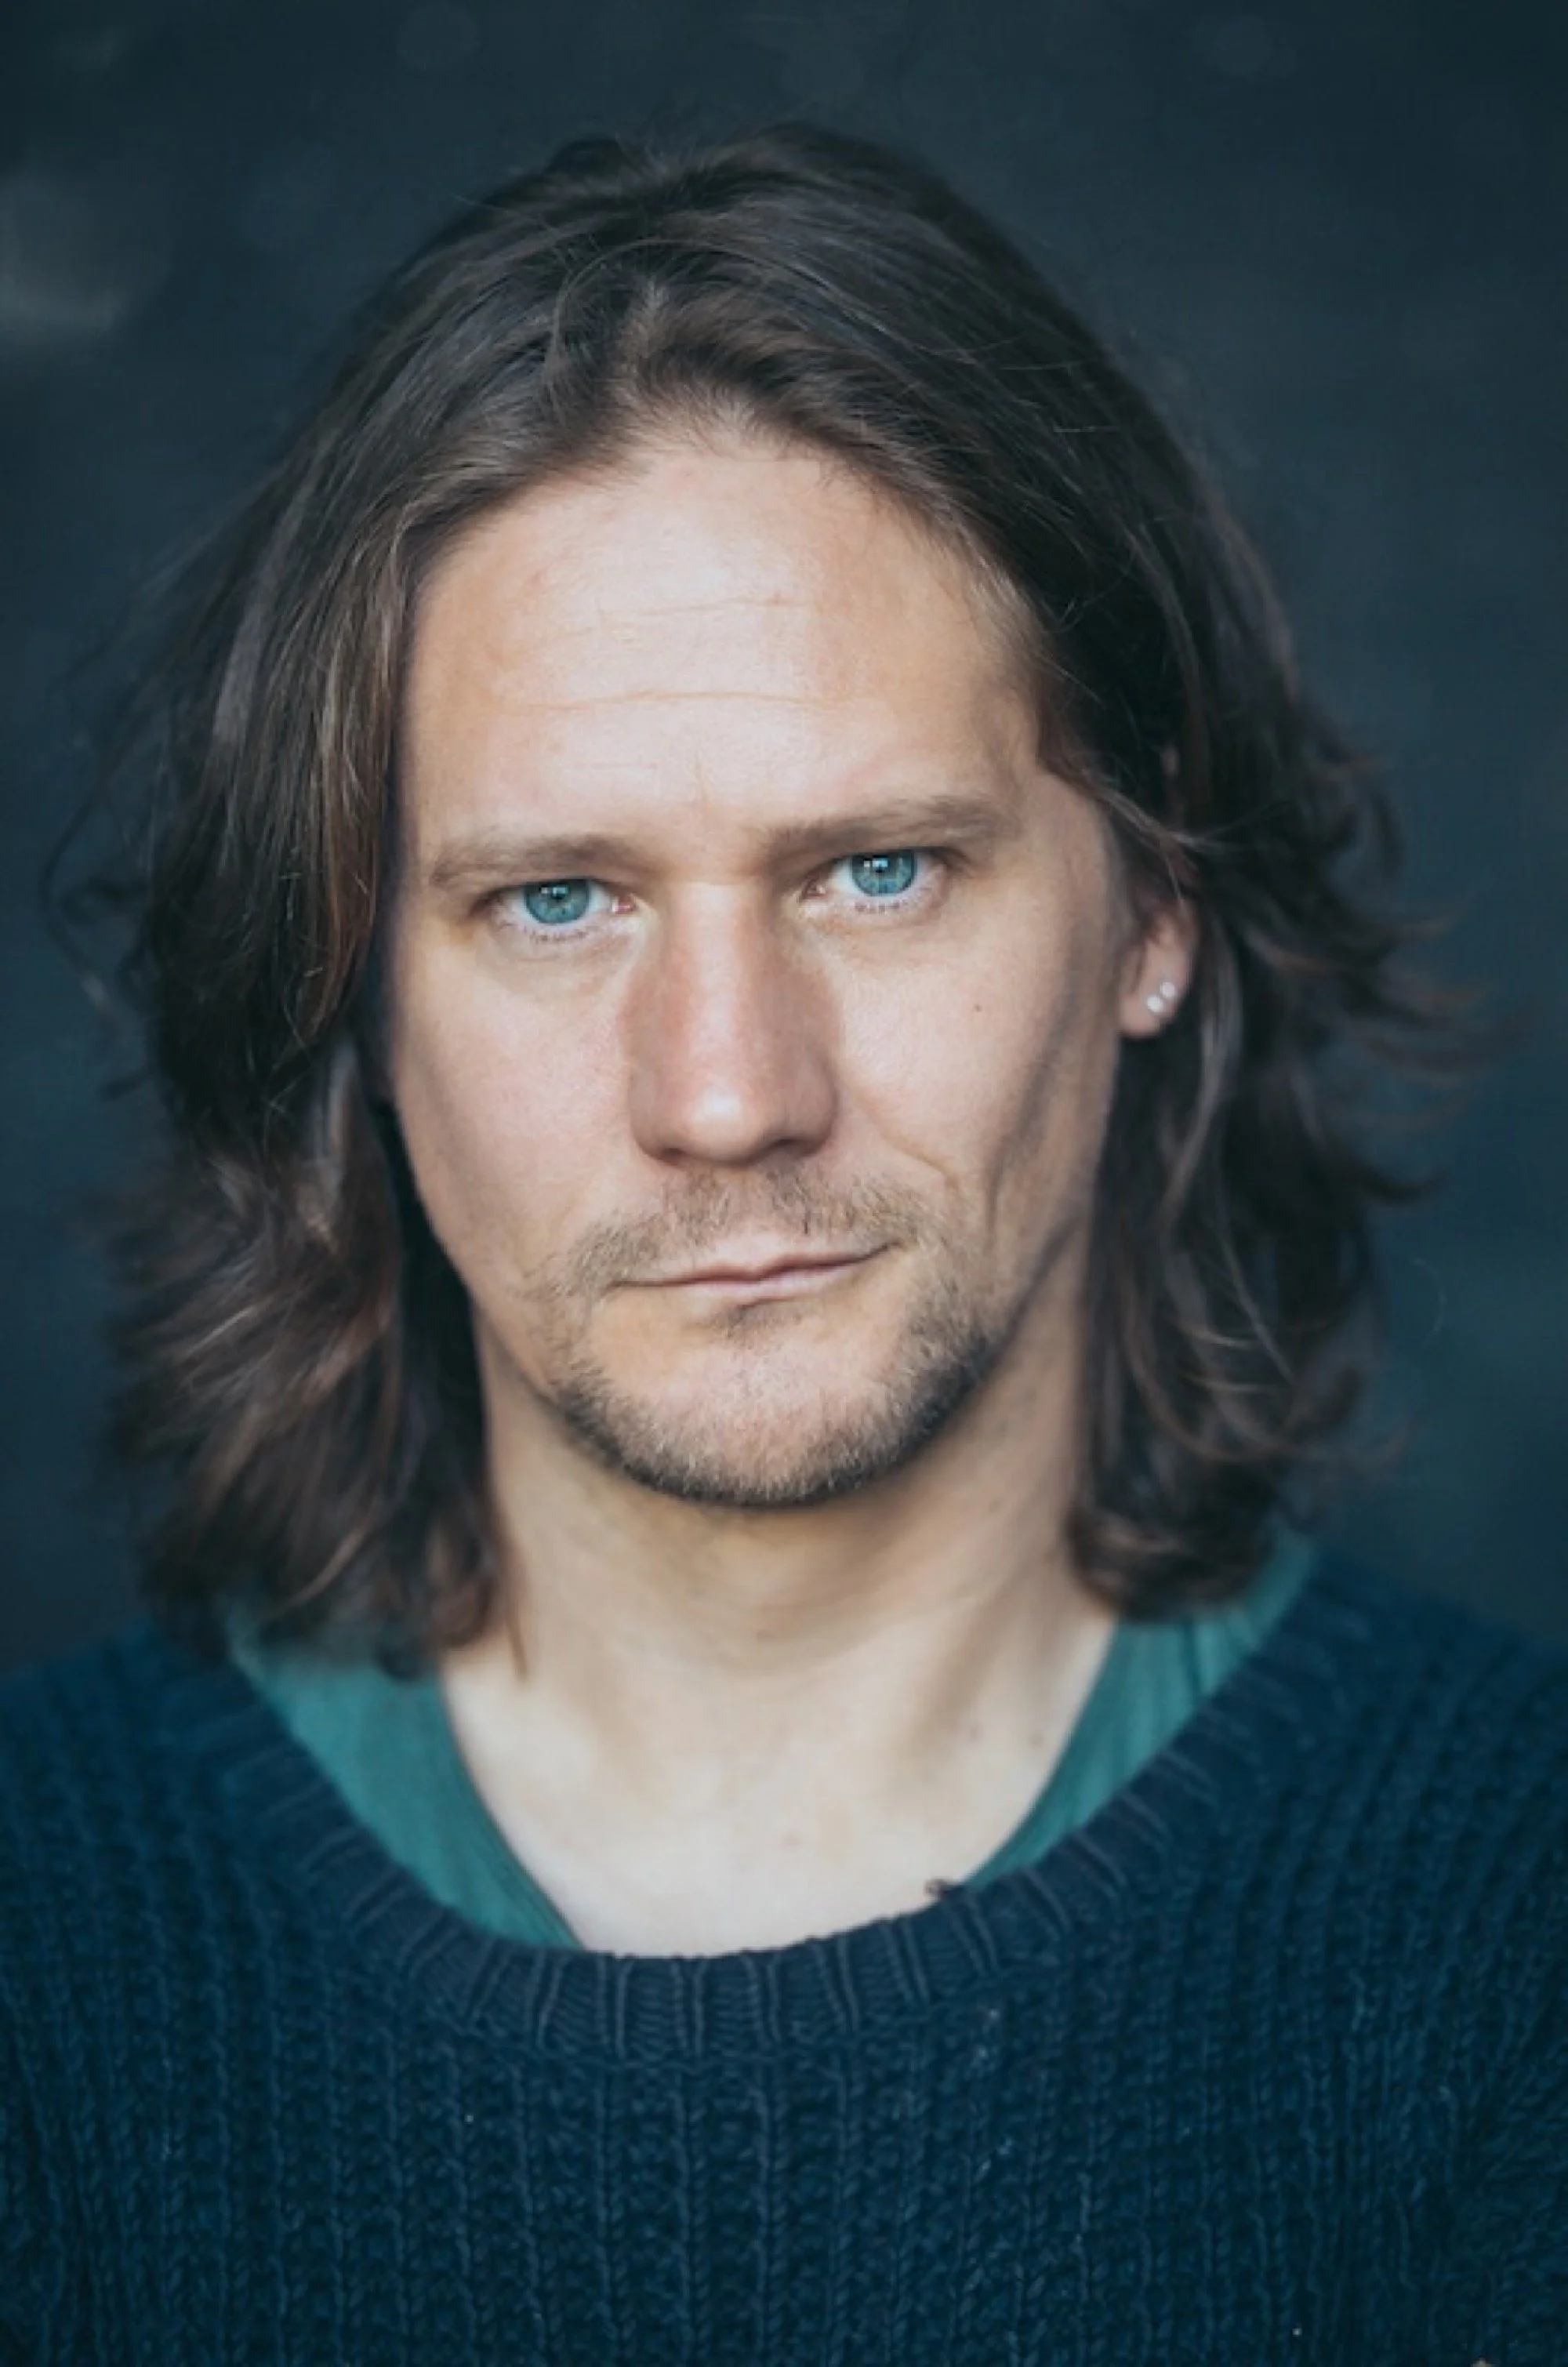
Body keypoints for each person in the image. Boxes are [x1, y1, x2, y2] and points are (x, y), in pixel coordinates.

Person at [1, 122, 1561, 2365]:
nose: (727, 1094)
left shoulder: (1522, 1928)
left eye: (877, 873)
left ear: (1152, 915)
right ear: (351, 978)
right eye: (559, 901)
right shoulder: (38, 1961)